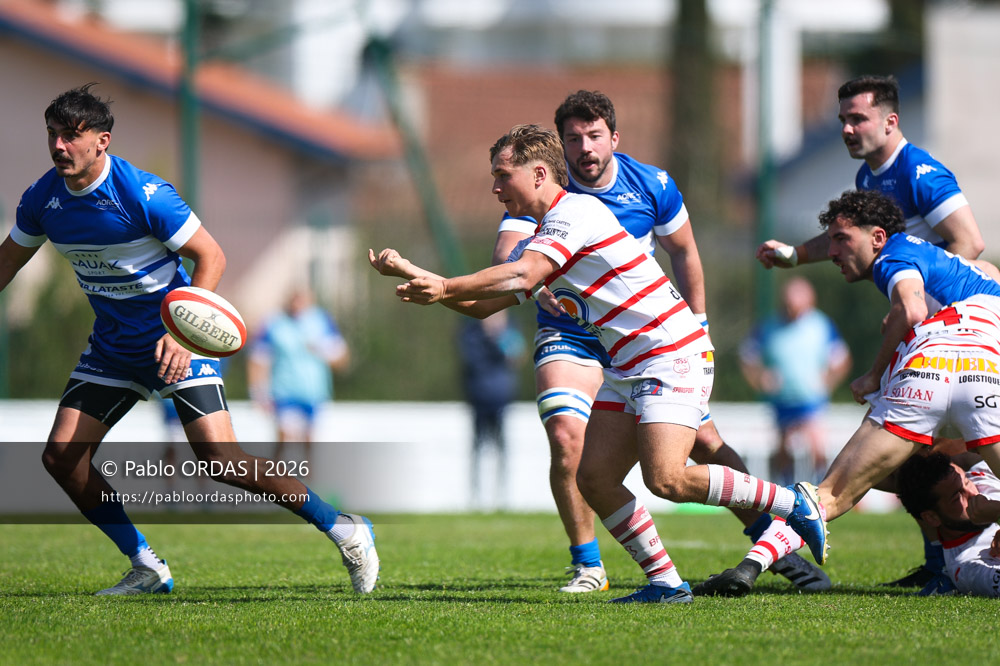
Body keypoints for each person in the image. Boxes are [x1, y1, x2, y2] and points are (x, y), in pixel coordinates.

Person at [369, 123, 828, 604]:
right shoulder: (547, 234)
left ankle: (794, 502)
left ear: (540, 173)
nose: (495, 187)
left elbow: (523, 273)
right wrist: (420, 277)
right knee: (594, 478)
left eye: (504, 175)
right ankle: (667, 584)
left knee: (666, 478)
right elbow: (485, 305)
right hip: (628, 363)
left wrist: (442, 286)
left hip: (670, 353)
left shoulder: (576, 213)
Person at [0, 84, 378, 595]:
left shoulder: (142, 193)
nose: (59, 146)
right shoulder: (42, 199)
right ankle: (146, 565)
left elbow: (212, 257)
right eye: (53, 135)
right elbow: (7, 262)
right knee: (62, 456)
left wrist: (184, 335)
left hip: (176, 342)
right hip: (113, 348)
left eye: (71, 136)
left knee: (221, 461)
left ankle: (344, 528)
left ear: (102, 141)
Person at [488, 90, 828, 594]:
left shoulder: (651, 184)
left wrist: (700, 327)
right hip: (573, 333)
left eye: (594, 135)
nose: (584, 147)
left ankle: (775, 537)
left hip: (650, 337)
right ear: (557, 150)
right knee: (569, 441)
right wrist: (518, 284)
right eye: (573, 138)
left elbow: (685, 253)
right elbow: (509, 261)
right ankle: (591, 567)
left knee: (703, 449)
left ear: (614, 137)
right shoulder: (540, 190)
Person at [694, 189, 1000, 597]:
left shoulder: (896, 255)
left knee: (830, 495)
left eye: (842, 240)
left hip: (926, 371)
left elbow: (911, 310)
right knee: (931, 472)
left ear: (878, 237)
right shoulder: (973, 275)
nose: (834, 252)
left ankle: (751, 565)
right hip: (982, 374)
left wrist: (873, 375)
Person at [754, 74, 988, 588]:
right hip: (928, 328)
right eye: (841, 119)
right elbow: (848, 238)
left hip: (957, 330)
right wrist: (795, 256)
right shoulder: (868, 179)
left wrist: (918, 303)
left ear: (890, 120)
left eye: (857, 117)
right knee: (923, 452)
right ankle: (941, 565)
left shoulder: (920, 171)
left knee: (939, 447)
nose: (846, 128)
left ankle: (958, 553)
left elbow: (969, 243)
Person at [739, 277, 852, 485]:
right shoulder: (768, 326)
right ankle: (785, 489)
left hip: (811, 399)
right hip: (782, 398)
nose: (791, 308)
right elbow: (748, 357)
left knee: (817, 446)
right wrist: (760, 378)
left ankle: (821, 490)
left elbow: (841, 359)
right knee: (783, 449)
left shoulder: (821, 325)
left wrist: (827, 381)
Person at [248, 288, 350, 464]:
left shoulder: (322, 320)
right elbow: (258, 358)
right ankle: (275, 480)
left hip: (314, 391)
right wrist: (258, 392)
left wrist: (324, 349)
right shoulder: (274, 322)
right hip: (284, 391)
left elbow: (342, 359)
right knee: (284, 437)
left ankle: (310, 485)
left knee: (309, 441)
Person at [896, 452, 1000, 597]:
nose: (973, 493)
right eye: (958, 496)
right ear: (932, 517)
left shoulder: (983, 475)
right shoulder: (968, 568)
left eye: (967, 482)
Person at [457, 311, 525, 509]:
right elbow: (470, 361)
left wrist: (498, 337)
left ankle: (502, 497)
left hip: (502, 399)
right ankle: (476, 498)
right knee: (477, 450)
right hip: (478, 398)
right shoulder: (470, 332)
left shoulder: (509, 331)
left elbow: (516, 356)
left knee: (502, 450)